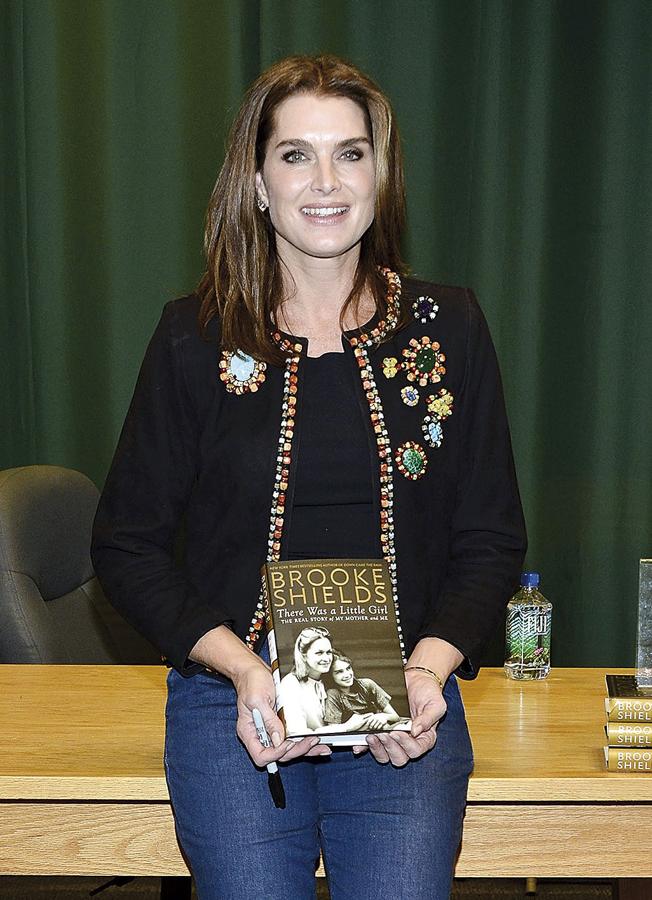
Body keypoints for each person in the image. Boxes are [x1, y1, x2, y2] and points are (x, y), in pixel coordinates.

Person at [92, 53, 526, 900]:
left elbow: (492, 536)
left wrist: (430, 673)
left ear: (381, 172)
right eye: (296, 154)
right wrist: (243, 670)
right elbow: (127, 545)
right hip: (237, 702)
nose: (325, 180)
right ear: (257, 180)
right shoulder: (193, 338)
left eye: (350, 153)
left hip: (406, 699)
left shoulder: (454, 327)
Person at [323, 650, 401, 731]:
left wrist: (382, 716)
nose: (347, 675)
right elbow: (333, 729)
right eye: (339, 672)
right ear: (330, 676)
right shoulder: (333, 694)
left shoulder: (367, 685)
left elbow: (395, 716)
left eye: (348, 668)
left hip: (382, 728)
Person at [279, 626, 333, 733]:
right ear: (303, 655)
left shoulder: (330, 680)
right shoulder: (291, 684)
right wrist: (347, 728)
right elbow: (297, 731)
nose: (326, 659)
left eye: (329, 652)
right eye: (319, 653)